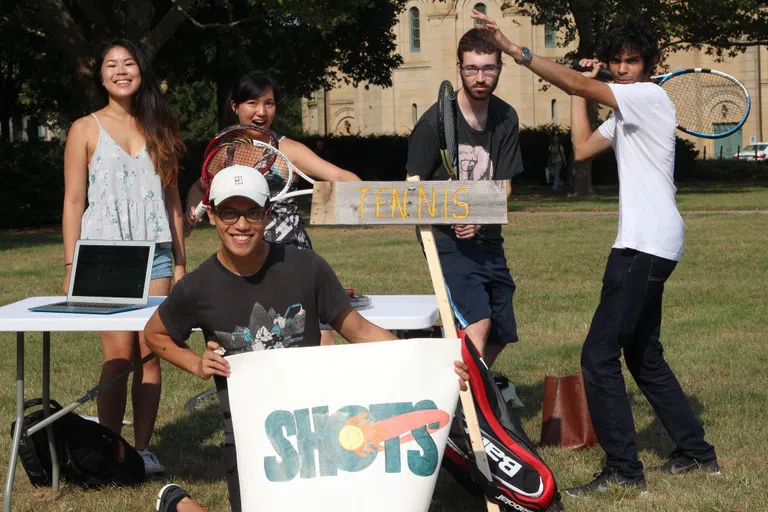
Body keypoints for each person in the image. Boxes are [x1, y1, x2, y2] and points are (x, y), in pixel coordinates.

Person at [471, 11, 719, 496]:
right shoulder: (628, 106)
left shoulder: (646, 96)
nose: (623, 69)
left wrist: (515, 50)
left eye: (632, 62)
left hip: (643, 245)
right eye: (617, 62)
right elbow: (582, 148)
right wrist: (581, 87)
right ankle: (696, 452)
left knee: (598, 355)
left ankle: (625, 470)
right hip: (648, 242)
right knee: (643, 355)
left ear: (649, 65)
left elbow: (577, 85)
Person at [147, 166, 470, 511]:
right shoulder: (198, 286)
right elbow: (155, 333)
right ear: (211, 214)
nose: (241, 225)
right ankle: (180, 504)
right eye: (229, 212)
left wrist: (429, 365)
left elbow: (359, 330)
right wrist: (196, 363)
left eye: (253, 212)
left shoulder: (305, 267)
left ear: (268, 214)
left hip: (321, 429)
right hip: (251, 436)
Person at [61, 38, 186, 475]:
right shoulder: (84, 128)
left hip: (156, 255)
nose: (120, 70)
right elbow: (74, 201)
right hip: (103, 260)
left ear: (141, 70)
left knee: (151, 350)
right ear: (101, 75)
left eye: (128, 63)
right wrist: (72, 265)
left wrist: (182, 262)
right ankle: (111, 450)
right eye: (110, 64)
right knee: (118, 356)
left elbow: (172, 202)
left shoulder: (161, 127)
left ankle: (144, 449)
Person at [185, 70, 361, 346]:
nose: (261, 112)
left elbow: (339, 176)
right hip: (246, 256)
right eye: (252, 103)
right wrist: (191, 207)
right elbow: (199, 187)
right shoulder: (225, 153)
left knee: (318, 338)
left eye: (269, 103)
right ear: (236, 107)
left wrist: (374, 195)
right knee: (261, 336)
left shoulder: (286, 149)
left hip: (292, 255)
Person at [406, 28, 523, 367]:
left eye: (488, 68)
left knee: (501, 329)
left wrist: (478, 216)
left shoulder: (506, 117)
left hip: (488, 236)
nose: (480, 77)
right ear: (459, 68)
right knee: (478, 321)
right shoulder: (433, 124)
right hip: (445, 240)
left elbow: (506, 187)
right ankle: (469, 411)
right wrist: (453, 216)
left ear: (500, 67)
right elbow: (412, 191)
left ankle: (463, 392)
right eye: (472, 69)